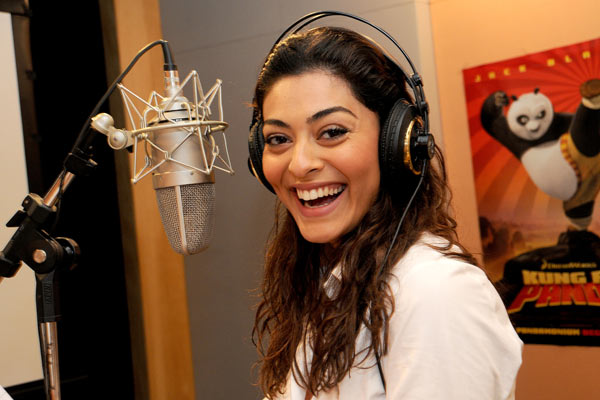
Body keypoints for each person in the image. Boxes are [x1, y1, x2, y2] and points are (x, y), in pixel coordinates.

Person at [249, 21, 523, 400]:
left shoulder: (436, 293)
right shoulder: (334, 285)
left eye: (332, 132)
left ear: (397, 143)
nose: (299, 164)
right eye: (278, 139)